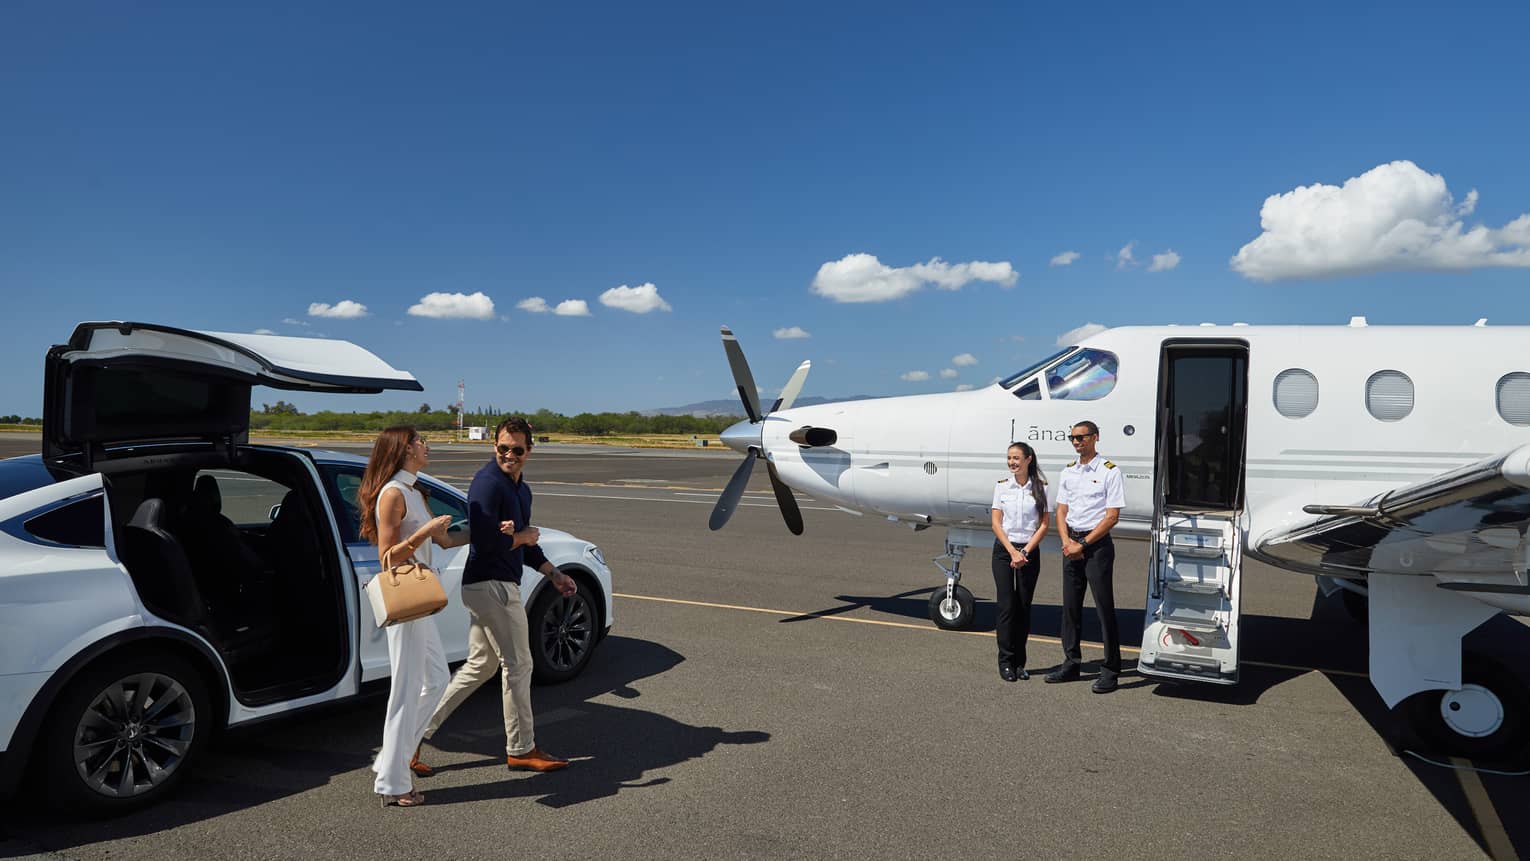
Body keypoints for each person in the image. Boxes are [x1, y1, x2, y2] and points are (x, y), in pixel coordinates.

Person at [417, 416, 579, 773]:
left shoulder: (521, 490)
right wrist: (521, 537)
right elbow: (486, 541)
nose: (509, 455)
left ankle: (412, 737)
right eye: (503, 448)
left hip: (496, 585)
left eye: (517, 450)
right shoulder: (487, 484)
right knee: (519, 665)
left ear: (529, 451)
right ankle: (521, 748)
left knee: (481, 666)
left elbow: (525, 544)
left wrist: (553, 573)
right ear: (494, 446)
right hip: (491, 585)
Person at [358, 427, 463, 807]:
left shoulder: (414, 492)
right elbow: (386, 557)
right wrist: (425, 533)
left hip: (421, 604)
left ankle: (391, 760)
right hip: (407, 600)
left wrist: (491, 533)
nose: (426, 446)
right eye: (420, 442)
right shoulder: (393, 493)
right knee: (405, 689)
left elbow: (446, 541)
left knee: (436, 680)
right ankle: (393, 782)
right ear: (404, 450)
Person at [1046, 420, 1126, 693]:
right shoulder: (1069, 471)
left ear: (1095, 437)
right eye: (1073, 438)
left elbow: (1112, 516)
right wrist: (1067, 542)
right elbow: (1061, 510)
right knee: (1070, 608)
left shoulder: (1109, 471)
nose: (1077, 442)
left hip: (1096, 547)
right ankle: (1071, 664)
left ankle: (1111, 670)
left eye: (1081, 437)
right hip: (1071, 544)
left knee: (1104, 608)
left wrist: (1082, 544)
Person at [990, 441, 1052, 682]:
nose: (1012, 462)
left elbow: (1044, 524)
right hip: (1004, 551)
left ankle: (1019, 664)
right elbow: (996, 523)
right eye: (1009, 458)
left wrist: (1024, 552)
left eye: (1016, 458)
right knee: (1006, 606)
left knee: (1023, 607)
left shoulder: (1041, 487)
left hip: (1029, 551)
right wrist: (1013, 552)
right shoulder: (1002, 486)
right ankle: (1005, 662)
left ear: (1028, 459)